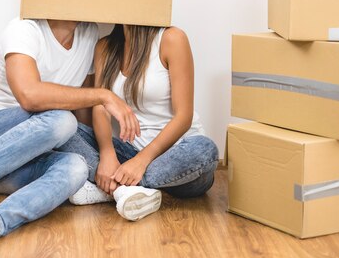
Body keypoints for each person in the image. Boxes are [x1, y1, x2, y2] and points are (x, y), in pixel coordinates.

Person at [0, 18, 140, 258]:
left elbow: (81, 108)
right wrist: (104, 96)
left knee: (76, 167)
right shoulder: (24, 29)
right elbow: (29, 95)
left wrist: (100, 159)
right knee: (61, 120)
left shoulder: (89, 34)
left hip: (17, 160)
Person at [58, 24, 219, 221]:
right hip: (127, 155)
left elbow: (183, 117)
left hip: (178, 159)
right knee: (62, 125)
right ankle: (128, 189)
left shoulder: (171, 39)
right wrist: (108, 153)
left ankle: (113, 189)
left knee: (205, 149)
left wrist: (141, 161)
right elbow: (101, 107)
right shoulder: (105, 46)